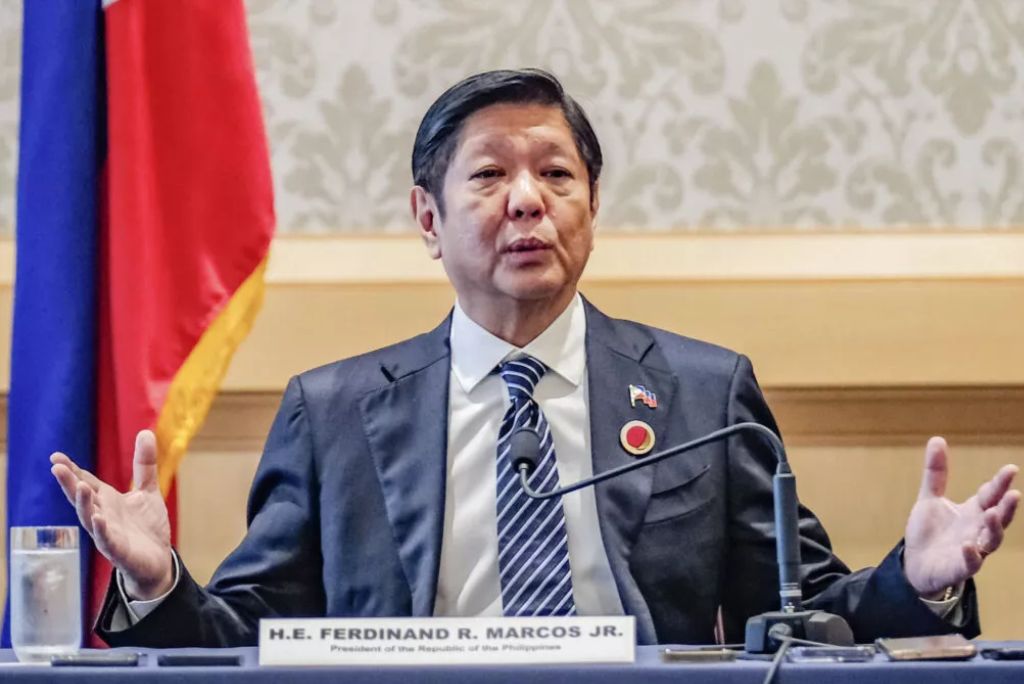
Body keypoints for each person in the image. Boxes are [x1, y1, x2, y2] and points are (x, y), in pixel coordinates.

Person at [50, 69, 1019, 647]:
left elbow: (808, 615)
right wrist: (156, 581)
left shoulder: (699, 393)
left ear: (591, 208)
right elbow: (251, 642)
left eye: (556, 175)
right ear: (427, 219)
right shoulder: (335, 410)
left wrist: (920, 579)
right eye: (489, 176)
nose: (526, 200)